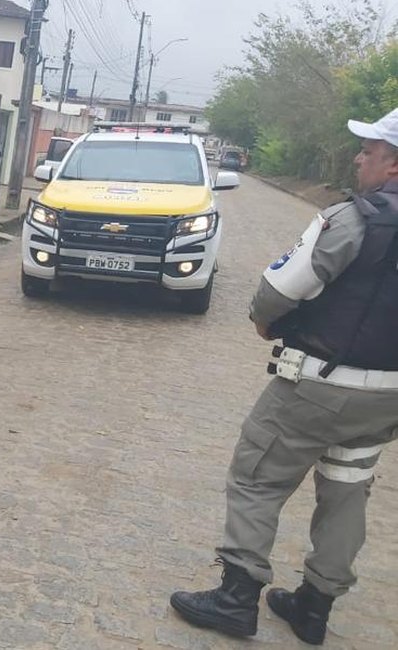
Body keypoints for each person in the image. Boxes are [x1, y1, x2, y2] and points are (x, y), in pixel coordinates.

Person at [170, 106, 398, 645]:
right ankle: (314, 607)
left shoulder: (355, 219)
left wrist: (264, 323)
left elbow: (278, 291)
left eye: (369, 151)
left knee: (256, 475)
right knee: (347, 489)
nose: (358, 158)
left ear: (393, 166)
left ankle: (236, 597)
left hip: (319, 383)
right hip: (387, 397)